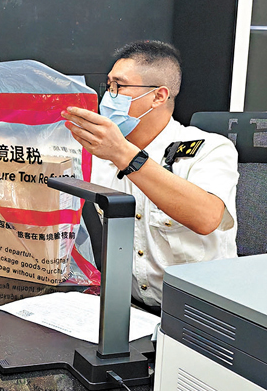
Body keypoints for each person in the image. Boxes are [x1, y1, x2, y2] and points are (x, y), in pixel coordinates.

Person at [61, 40, 238, 308]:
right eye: (108, 86)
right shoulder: (101, 155)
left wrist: (125, 156)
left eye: (119, 87)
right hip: (131, 308)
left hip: (202, 312)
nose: (109, 96)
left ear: (159, 96)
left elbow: (207, 217)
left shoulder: (210, 149)